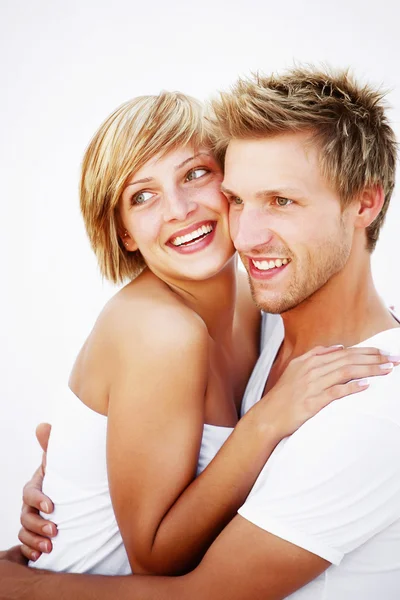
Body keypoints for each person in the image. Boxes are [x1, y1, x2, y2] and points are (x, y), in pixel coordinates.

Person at [1, 65, 400, 599]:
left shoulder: (263, 312)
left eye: (195, 175)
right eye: (141, 196)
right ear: (122, 230)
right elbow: (153, 550)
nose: (182, 210)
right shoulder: (178, 329)